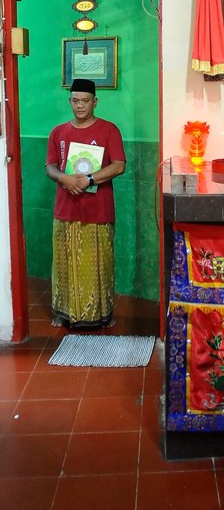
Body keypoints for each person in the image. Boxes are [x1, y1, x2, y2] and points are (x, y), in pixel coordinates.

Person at [45, 79, 126, 329]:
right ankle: (64, 312)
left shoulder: (109, 130)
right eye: (75, 101)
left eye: (85, 101)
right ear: (70, 102)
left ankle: (103, 313)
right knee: (64, 262)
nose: (80, 106)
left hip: (98, 209)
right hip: (65, 208)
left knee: (99, 262)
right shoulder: (58, 132)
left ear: (95, 102)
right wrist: (64, 178)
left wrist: (89, 178)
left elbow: (119, 165)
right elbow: (50, 167)